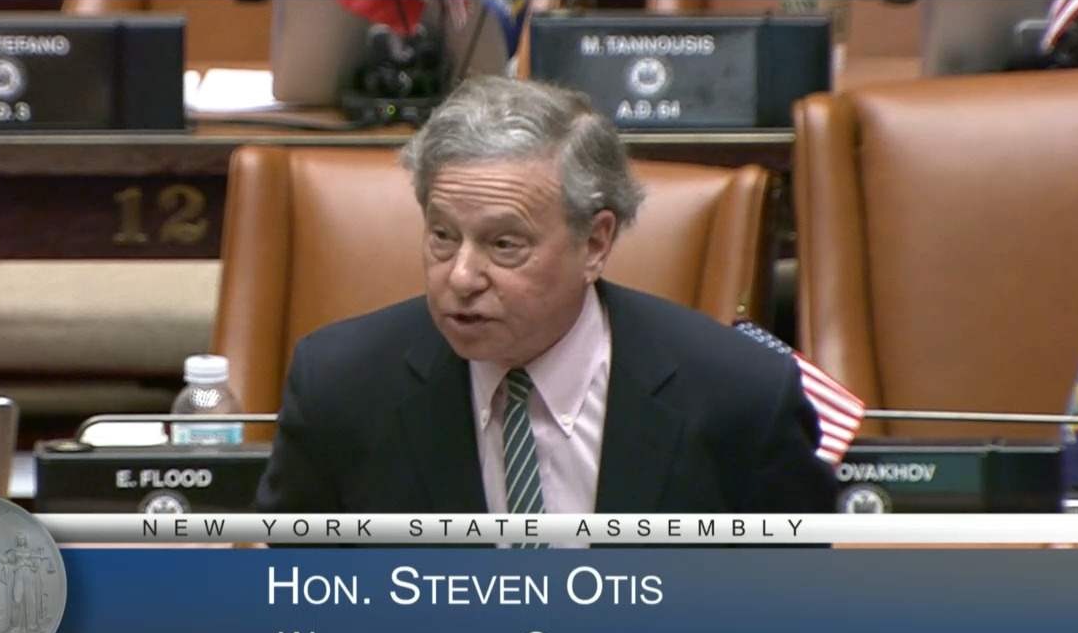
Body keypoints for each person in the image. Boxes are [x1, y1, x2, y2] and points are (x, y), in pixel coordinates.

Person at [254, 75, 837, 524]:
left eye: (504, 244)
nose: (461, 276)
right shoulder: (341, 387)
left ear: (596, 242)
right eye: (443, 236)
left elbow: (791, 615)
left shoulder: (742, 398)